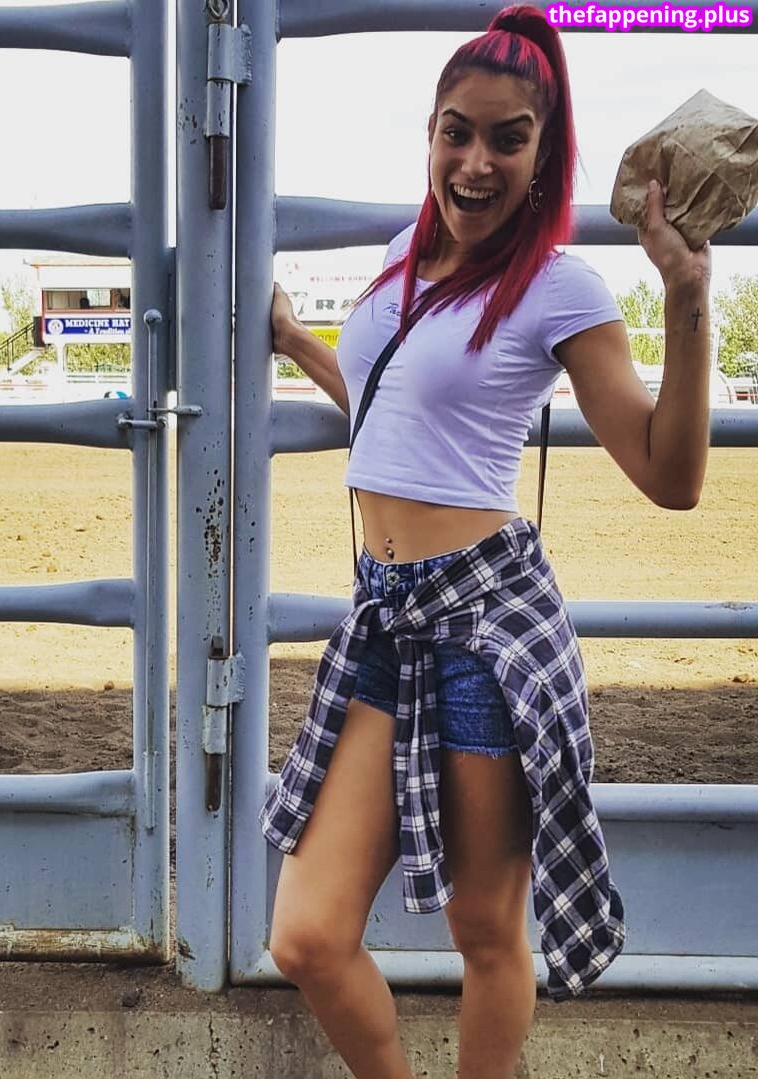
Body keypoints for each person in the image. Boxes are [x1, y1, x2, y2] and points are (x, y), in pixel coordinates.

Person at [259, 6, 711, 1078]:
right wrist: (295, 340)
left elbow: (673, 476)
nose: (476, 163)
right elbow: (387, 408)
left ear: (542, 156)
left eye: (509, 139)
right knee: (308, 934)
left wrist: (688, 297)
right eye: (457, 132)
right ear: (429, 134)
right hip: (387, 621)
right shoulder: (395, 264)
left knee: (485, 929)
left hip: (490, 631)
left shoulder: (561, 287)